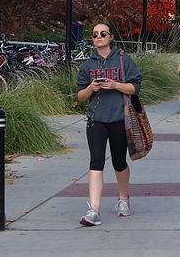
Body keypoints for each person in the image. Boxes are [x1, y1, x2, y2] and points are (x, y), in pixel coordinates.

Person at [75, 23, 142, 226]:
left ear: (110, 37)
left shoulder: (123, 59)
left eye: (103, 33)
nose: (98, 37)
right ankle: (93, 210)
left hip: (119, 119)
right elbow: (80, 96)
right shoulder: (88, 65)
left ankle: (123, 198)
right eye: (95, 35)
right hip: (96, 119)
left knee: (119, 162)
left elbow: (134, 87)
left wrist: (115, 85)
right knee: (96, 162)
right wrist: (91, 88)